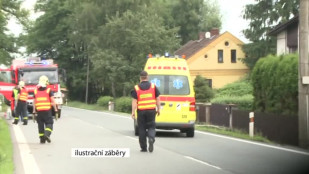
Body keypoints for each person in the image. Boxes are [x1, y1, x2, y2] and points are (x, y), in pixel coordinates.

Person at [131, 70, 160, 153]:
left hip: (141, 111)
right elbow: (157, 98)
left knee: (142, 129)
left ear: (140, 78)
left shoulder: (136, 87)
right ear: (147, 77)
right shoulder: (153, 87)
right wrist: (159, 109)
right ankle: (151, 138)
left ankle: (143, 147)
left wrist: (133, 112)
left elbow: (134, 101)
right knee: (151, 126)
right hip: (151, 110)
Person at [33, 75, 58, 144]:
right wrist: (56, 110)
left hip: (39, 112)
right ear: (46, 82)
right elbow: (53, 101)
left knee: (40, 125)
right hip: (47, 111)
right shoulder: (49, 90)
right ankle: (46, 135)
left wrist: (34, 111)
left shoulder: (35, 91)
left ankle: (42, 139)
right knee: (49, 123)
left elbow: (34, 102)